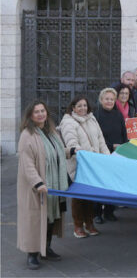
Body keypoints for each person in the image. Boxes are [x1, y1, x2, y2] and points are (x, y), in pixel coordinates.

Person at [17, 101, 68, 269]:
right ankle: (32, 254)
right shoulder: (27, 135)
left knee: (50, 217)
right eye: (36, 112)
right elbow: (27, 164)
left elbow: (56, 151)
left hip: (53, 184)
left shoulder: (51, 131)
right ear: (30, 116)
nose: (40, 114)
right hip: (36, 188)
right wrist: (38, 183)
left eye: (42, 111)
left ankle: (46, 248)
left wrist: (71, 151)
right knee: (35, 220)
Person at [58, 96, 110, 239]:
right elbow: (72, 143)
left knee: (90, 195)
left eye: (85, 105)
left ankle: (89, 223)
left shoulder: (92, 119)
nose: (83, 108)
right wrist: (86, 156)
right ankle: (78, 226)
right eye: (79, 106)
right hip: (79, 164)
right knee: (79, 196)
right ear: (73, 108)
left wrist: (107, 157)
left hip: (94, 164)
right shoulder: (68, 122)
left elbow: (101, 140)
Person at [93, 88, 127, 224]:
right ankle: (97, 213)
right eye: (106, 99)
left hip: (116, 155)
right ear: (101, 100)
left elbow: (124, 133)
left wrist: (124, 147)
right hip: (102, 154)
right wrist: (111, 145)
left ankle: (109, 211)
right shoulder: (96, 116)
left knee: (113, 183)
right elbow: (95, 137)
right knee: (100, 184)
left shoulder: (118, 115)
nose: (109, 101)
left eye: (112, 99)